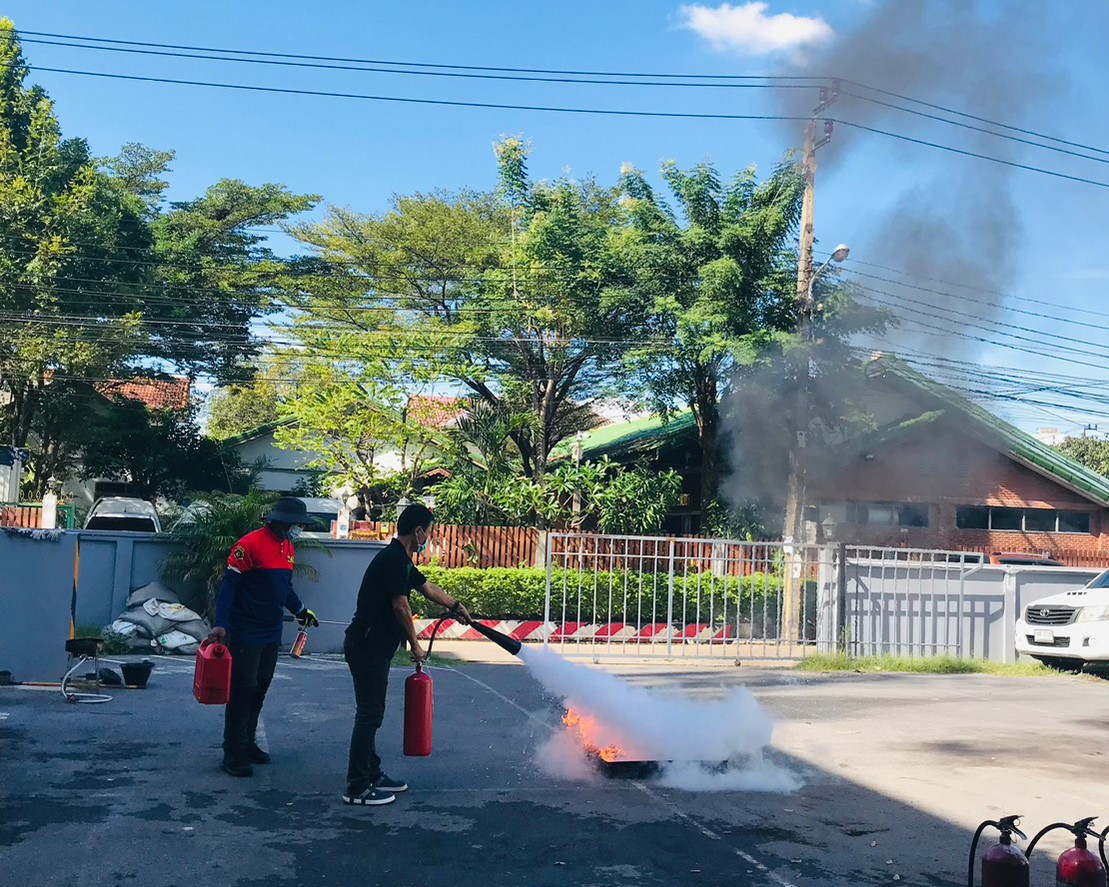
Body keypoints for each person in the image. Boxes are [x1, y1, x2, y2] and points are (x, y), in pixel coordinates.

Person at [342, 503, 471, 806]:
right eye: (430, 530)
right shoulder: (393, 561)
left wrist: (455, 606)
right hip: (367, 646)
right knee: (369, 715)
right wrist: (415, 644)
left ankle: (371, 773)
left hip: (373, 646)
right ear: (418, 531)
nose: (430, 536)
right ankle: (357, 787)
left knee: (372, 713)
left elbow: (427, 588)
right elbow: (401, 605)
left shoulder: (400, 560)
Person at [208, 496, 319, 778]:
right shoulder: (249, 545)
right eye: (297, 525)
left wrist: (301, 610)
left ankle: (247, 743)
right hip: (246, 630)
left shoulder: (288, 548)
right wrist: (221, 624)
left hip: (272, 631)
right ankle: (232, 753)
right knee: (242, 690)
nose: (299, 530)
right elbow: (229, 588)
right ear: (282, 522)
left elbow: (284, 588)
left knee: (260, 687)